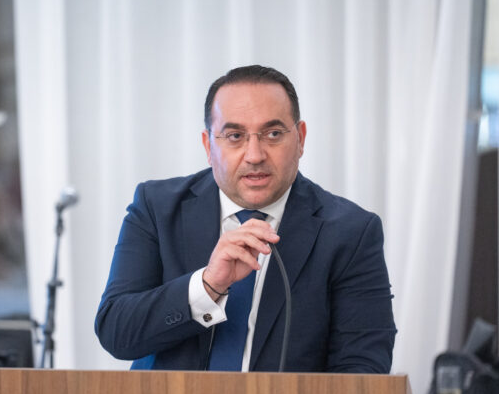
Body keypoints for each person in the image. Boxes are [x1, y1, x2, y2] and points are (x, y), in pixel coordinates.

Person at [95, 65, 396, 373]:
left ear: (301, 139)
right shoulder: (157, 207)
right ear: (208, 146)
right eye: (235, 136)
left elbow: (363, 370)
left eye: (273, 134)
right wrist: (208, 285)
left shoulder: (350, 232)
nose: (254, 155)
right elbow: (117, 332)